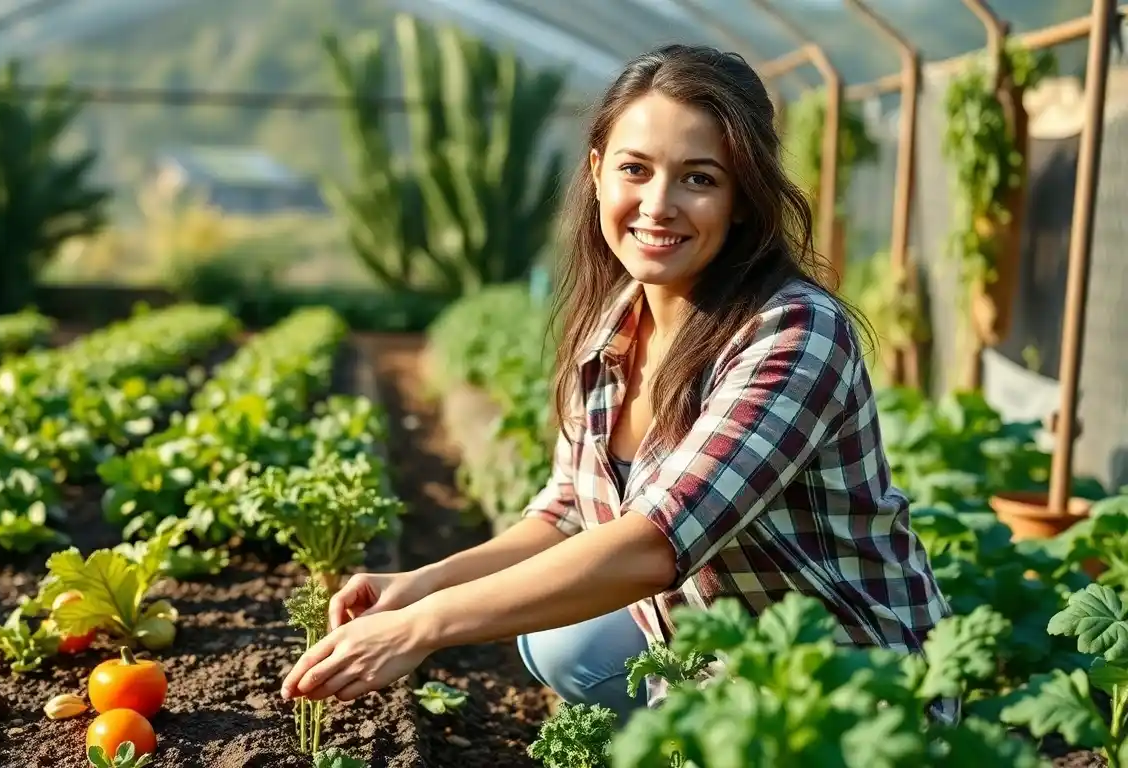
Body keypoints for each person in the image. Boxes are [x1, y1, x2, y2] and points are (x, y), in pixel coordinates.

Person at [280, 43, 951, 719]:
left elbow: (657, 543)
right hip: (719, 661)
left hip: (852, 691)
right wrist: (420, 587)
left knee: (575, 618)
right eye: (636, 170)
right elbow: (567, 512)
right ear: (598, 172)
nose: (658, 206)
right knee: (560, 641)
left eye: (699, 179)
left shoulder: (793, 333)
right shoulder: (616, 322)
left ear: (744, 198)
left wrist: (423, 629)